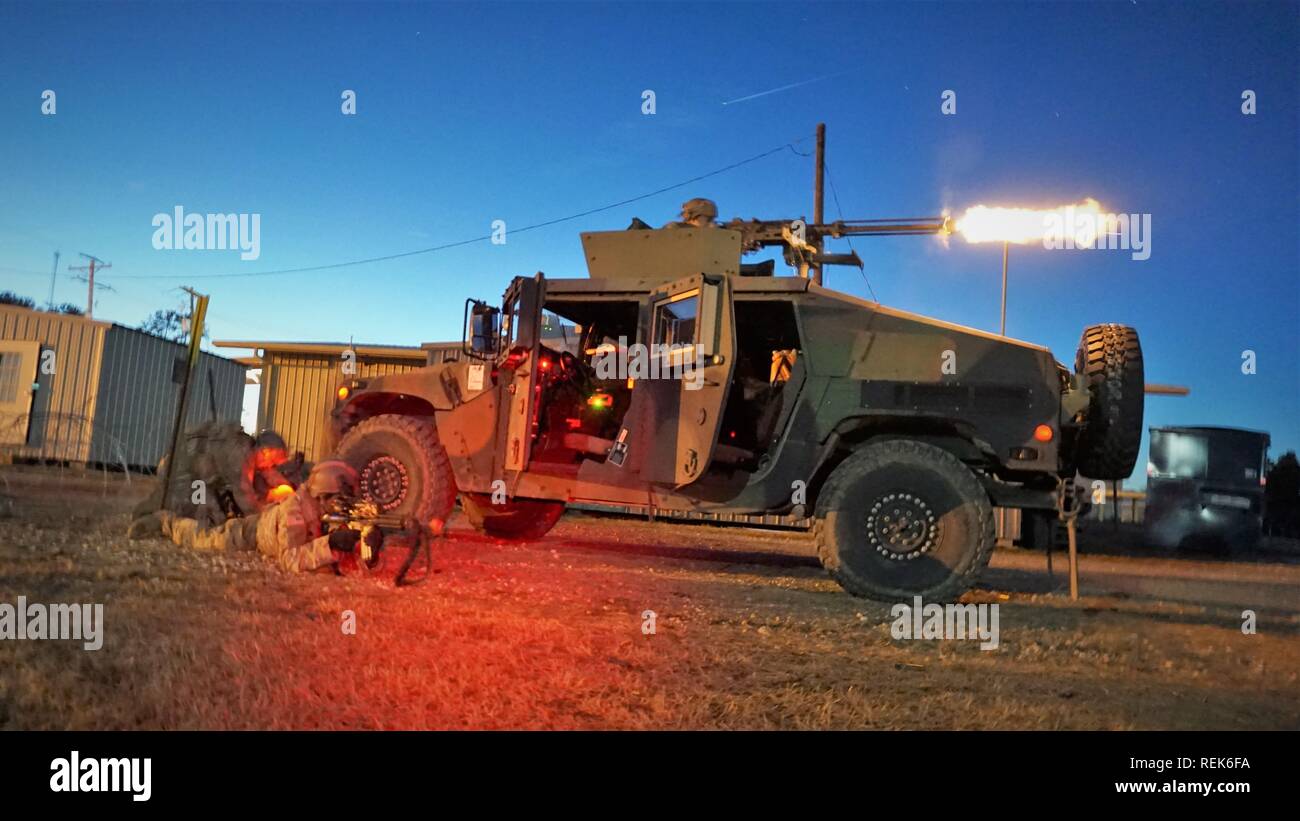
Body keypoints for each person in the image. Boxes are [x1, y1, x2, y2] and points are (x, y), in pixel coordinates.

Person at [139, 460, 379, 573]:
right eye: (338, 500)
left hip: (265, 520)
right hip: (249, 535)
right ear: (322, 496)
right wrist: (331, 543)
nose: (341, 508)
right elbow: (289, 559)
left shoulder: (326, 512)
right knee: (203, 538)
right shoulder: (294, 512)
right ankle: (165, 521)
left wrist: (365, 541)